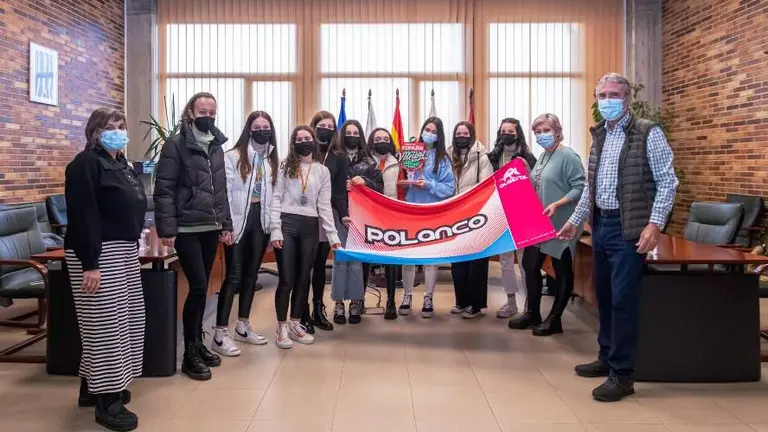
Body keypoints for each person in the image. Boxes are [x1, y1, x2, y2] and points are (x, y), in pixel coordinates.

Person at [559, 73, 678, 402]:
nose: (608, 100)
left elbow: (667, 181)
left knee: (624, 299)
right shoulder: (599, 135)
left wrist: (655, 224)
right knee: (605, 295)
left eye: (614, 94)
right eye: (602, 95)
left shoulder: (647, 132)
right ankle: (607, 356)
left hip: (630, 229)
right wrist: (575, 221)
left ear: (627, 99)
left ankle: (623, 374)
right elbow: (591, 188)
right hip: (601, 225)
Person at [65, 108, 146, 431]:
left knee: (126, 321)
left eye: (121, 125)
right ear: (95, 133)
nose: (117, 131)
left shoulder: (122, 164)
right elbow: (84, 215)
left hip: (123, 250)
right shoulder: (85, 164)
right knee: (106, 328)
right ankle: (107, 404)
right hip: (99, 253)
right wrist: (90, 264)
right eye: (109, 127)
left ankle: (92, 387)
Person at [154, 92, 233, 381]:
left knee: (204, 288)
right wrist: (167, 229)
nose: (208, 117)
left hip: (210, 227)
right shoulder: (175, 144)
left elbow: (220, 189)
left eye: (212, 112)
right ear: (190, 112)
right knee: (198, 286)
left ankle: (197, 343)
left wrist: (225, 223)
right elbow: (164, 188)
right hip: (187, 227)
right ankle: (189, 353)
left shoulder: (216, 145)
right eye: (202, 112)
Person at [508, 114, 585, 336]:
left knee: (561, 271)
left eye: (546, 130)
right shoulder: (542, 156)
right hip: (540, 223)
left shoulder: (568, 156)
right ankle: (532, 313)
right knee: (530, 265)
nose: (542, 135)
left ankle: (555, 319)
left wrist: (558, 203)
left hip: (562, 223)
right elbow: (536, 184)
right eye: (538, 132)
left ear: (557, 131)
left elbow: (580, 187)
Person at [212, 111, 279, 357]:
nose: (262, 131)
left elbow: (275, 197)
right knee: (233, 277)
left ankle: (242, 325)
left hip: (260, 221)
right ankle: (220, 333)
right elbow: (224, 192)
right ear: (249, 129)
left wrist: (272, 229)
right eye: (257, 127)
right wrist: (226, 225)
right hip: (238, 220)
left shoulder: (272, 159)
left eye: (266, 127)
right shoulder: (233, 156)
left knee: (251, 275)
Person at [271, 125, 341, 348]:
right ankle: (281, 327)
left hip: (310, 226)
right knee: (287, 279)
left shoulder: (322, 171)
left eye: (307, 138)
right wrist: (275, 229)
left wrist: (332, 236)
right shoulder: (285, 166)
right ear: (294, 143)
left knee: (303, 277)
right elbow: (276, 198)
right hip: (287, 224)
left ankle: (295, 323)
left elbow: (324, 206)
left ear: (314, 141)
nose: (304, 142)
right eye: (299, 139)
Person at [398, 117, 456, 318]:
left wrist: (429, 184)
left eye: (434, 131)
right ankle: (407, 295)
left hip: (433, 213)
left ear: (439, 136)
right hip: (411, 210)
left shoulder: (443, 159)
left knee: (431, 257)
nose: (429, 133)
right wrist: (405, 182)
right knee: (409, 256)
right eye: (427, 129)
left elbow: (449, 189)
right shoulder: (411, 152)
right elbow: (403, 176)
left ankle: (428, 297)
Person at [332, 120, 383, 324]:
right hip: (338, 214)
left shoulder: (370, 161)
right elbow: (325, 187)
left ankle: (355, 302)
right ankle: (338, 303)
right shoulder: (335, 158)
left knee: (356, 262)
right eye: (348, 133)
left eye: (355, 133)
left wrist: (366, 183)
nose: (352, 136)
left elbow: (380, 188)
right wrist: (340, 187)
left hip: (361, 217)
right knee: (340, 259)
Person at [487, 118, 537, 319]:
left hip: (523, 215)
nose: (506, 134)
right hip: (501, 215)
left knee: (525, 262)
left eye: (510, 131)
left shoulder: (528, 157)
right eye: (503, 131)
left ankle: (529, 303)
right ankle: (510, 301)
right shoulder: (493, 157)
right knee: (505, 262)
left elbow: (535, 186)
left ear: (518, 134)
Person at [305, 111, 349, 333]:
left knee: (320, 265)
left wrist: (343, 214)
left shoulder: (339, 157)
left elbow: (340, 191)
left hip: (326, 214)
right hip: (301, 214)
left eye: (330, 127)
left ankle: (318, 309)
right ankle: (301, 311)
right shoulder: (304, 150)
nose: (326, 130)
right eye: (321, 126)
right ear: (313, 127)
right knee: (303, 266)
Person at [448, 121, 494, 319]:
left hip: (476, 215)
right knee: (458, 261)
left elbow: (486, 184)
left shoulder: (482, 155)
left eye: (465, 133)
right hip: (453, 215)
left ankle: (475, 305)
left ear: (472, 135)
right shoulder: (448, 154)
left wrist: (468, 202)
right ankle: (461, 301)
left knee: (477, 262)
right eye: (458, 133)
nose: (462, 136)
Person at [366, 127, 405, 319]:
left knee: (391, 259)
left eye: (385, 138)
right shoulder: (365, 161)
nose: (381, 141)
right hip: (368, 212)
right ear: (371, 142)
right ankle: (359, 300)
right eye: (377, 138)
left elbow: (403, 189)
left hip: (392, 213)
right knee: (365, 257)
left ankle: (391, 301)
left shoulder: (399, 163)